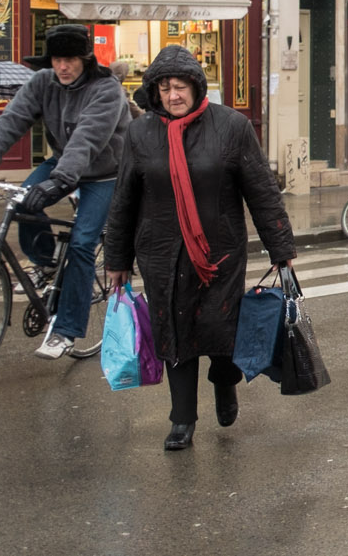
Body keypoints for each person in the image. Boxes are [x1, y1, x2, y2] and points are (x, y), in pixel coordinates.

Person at [102, 46, 296, 451]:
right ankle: (182, 419)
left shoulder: (231, 127)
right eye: (165, 87)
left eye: (181, 86)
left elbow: (261, 192)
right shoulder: (140, 134)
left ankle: (224, 384)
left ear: (196, 87)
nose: (173, 95)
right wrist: (117, 258)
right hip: (160, 253)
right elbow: (123, 199)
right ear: (154, 92)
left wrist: (282, 249)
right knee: (174, 333)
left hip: (218, 253)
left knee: (219, 331)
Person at [0, 23, 131, 359]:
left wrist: (60, 182)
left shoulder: (105, 89)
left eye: (69, 60)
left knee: (82, 244)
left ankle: (65, 330)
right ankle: (46, 263)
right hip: (63, 163)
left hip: (106, 174)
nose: (62, 67)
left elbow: (87, 139)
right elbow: (11, 121)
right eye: (56, 60)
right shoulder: (42, 82)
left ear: (84, 60)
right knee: (23, 199)